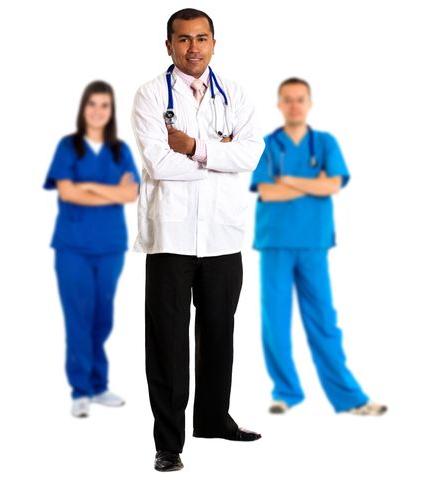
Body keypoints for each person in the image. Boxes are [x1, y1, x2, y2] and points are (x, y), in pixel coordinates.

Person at [131, 8, 265, 472]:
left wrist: (195, 147)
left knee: (219, 333)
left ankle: (213, 419)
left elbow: (251, 154)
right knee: (167, 341)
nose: (193, 47)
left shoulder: (237, 95)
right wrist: (218, 158)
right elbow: (158, 164)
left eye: (201, 38)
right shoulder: (151, 96)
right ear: (168, 44)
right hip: (171, 235)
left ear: (214, 43)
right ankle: (168, 443)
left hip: (223, 236)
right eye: (183, 39)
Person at [250, 78, 387, 417]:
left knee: (324, 321)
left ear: (309, 103)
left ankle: (350, 398)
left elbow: (333, 185)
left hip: (313, 244)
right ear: (279, 104)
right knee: (275, 322)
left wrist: (291, 181)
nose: (294, 105)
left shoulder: (325, 142)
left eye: (300, 99)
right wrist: (314, 184)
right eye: (288, 100)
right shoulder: (267, 144)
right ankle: (285, 392)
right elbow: (267, 192)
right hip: (276, 244)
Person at [44, 81, 140, 418]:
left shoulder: (120, 150)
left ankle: (99, 384)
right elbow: (68, 193)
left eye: (104, 105)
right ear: (83, 108)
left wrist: (88, 185)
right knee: (78, 317)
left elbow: (131, 195)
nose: (98, 111)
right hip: (72, 247)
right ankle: (82, 389)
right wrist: (109, 190)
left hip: (110, 246)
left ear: (111, 112)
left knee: (103, 316)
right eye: (92, 104)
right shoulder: (68, 147)